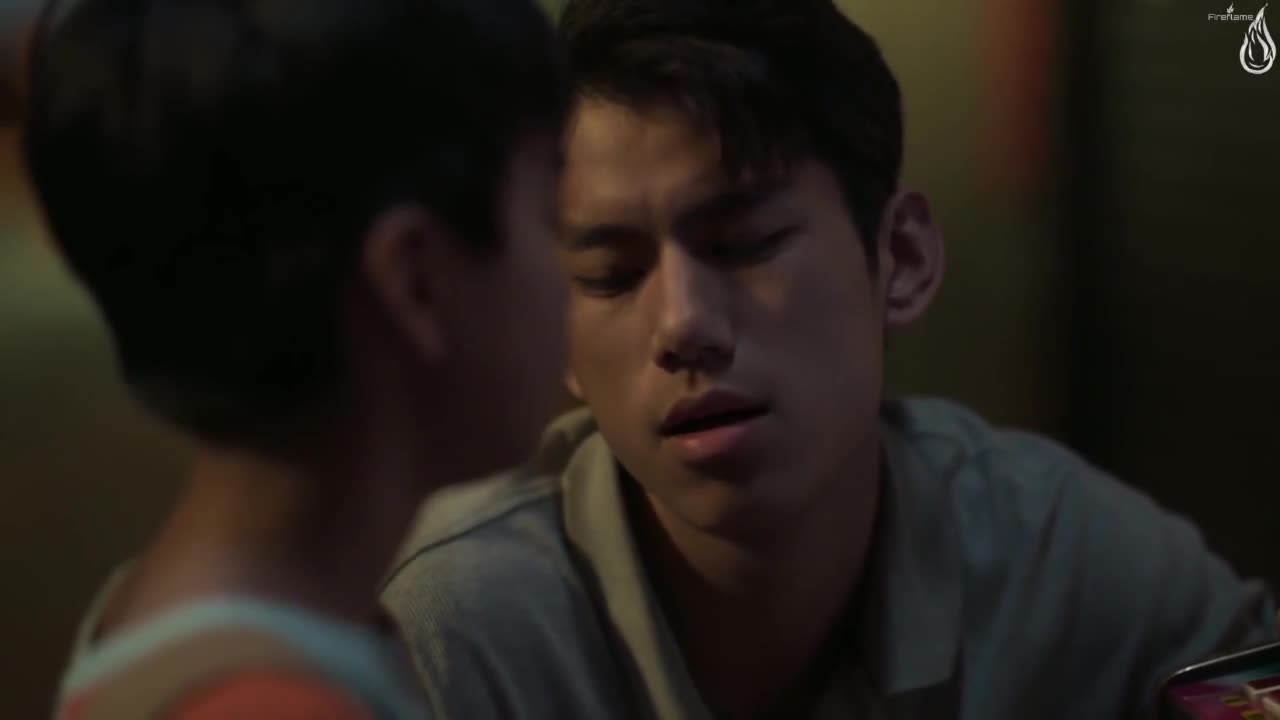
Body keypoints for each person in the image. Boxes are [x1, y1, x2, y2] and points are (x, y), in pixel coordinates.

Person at [378, 0, 1278, 718]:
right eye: (610, 276)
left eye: (744, 244)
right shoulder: (454, 634)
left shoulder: (1055, 556)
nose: (683, 324)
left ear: (903, 259)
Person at [24, 0, 567, 717]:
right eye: (554, 218)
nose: (569, 277)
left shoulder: (171, 619)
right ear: (415, 282)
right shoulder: (266, 703)